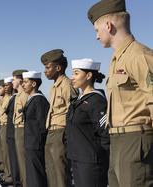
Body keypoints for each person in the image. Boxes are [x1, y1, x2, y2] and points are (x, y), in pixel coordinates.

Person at [87, 0, 153, 186]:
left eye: (96, 30)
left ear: (108, 26)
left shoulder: (139, 55)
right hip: (118, 140)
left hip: (135, 141)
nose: (96, 36)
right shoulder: (117, 59)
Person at [65, 58, 109, 187]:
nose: (72, 77)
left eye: (76, 73)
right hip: (77, 158)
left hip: (91, 161)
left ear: (89, 75)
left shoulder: (96, 100)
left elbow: (104, 133)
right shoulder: (78, 100)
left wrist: (101, 158)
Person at [41, 49, 78, 187]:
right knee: (51, 170)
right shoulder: (54, 86)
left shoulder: (67, 85)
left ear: (58, 68)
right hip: (52, 130)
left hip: (61, 132)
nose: (45, 71)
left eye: (47, 67)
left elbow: (73, 111)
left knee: (60, 171)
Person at [22, 71, 49, 187]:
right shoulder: (32, 99)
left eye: (25, 82)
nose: (23, 85)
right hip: (30, 142)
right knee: (32, 173)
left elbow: (42, 124)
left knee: (36, 174)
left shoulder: (39, 100)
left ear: (33, 84)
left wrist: (38, 142)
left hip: (36, 143)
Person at [12, 69, 28, 187]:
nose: (12, 82)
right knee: (20, 159)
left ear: (20, 80)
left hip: (23, 128)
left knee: (24, 160)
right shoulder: (18, 95)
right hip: (17, 127)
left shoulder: (25, 95)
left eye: (14, 79)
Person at [5, 77, 21, 187]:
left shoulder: (20, 96)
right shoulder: (13, 97)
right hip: (11, 129)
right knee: (11, 155)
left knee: (19, 159)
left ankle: (18, 180)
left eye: (8, 85)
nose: (6, 87)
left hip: (18, 129)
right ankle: (14, 178)